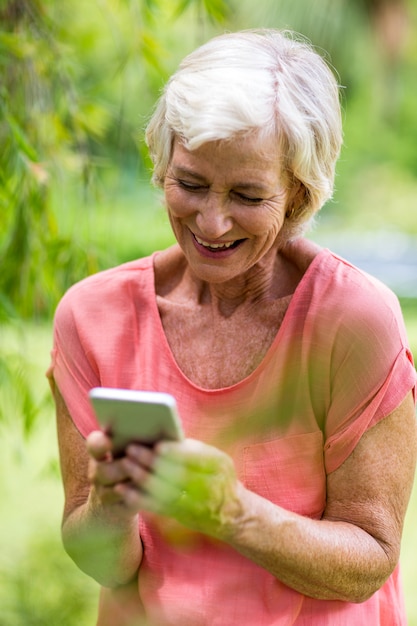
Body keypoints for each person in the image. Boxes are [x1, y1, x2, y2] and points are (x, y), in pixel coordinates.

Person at [47, 29, 417, 626]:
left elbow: (370, 559)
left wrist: (234, 514)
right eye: (190, 184)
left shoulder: (353, 323)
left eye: (246, 194)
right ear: (163, 164)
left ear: (298, 195)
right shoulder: (93, 318)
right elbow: (104, 564)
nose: (212, 222)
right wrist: (112, 505)